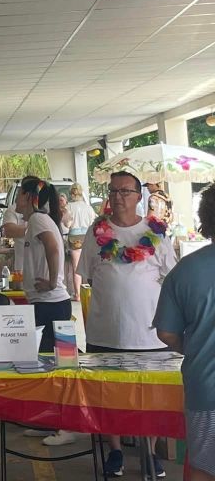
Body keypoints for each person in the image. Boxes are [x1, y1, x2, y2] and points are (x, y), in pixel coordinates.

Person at [77, 171, 177, 477]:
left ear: (138, 196)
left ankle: (150, 451)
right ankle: (116, 451)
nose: (118, 197)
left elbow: (171, 281)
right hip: (105, 332)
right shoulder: (97, 232)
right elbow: (87, 277)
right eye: (113, 191)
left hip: (149, 335)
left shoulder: (156, 233)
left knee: (153, 399)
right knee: (109, 397)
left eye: (125, 191)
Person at [154, 183, 215, 481]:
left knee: (204, 469)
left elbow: (166, 333)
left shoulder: (185, 271)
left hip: (207, 390)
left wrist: (195, 345)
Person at [15, 178, 69, 352]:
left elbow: (52, 247)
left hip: (50, 303)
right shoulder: (38, 219)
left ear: (28, 196)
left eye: (19, 193)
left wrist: (52, 283)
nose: (16, 199)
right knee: (51, 357)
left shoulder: (37, 218)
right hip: (47, 303)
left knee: (49, 359)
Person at [65, 183, 95, 300]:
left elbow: (67, 224)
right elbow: (93, 222)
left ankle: (77, 294)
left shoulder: (69, 207)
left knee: (76, 267)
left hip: (74, 237)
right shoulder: (88, 208)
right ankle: (91, 291)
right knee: (89, 265)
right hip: (87, 236)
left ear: (71, 193)